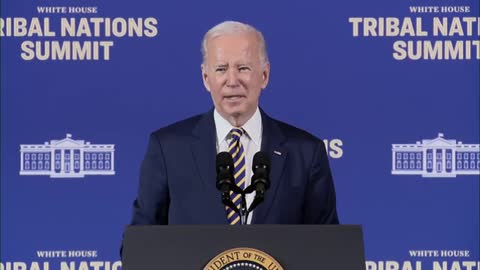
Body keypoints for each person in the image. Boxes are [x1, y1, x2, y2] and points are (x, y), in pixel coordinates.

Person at [129, 21, 339, 225]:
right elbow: (139, 246)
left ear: (264, 75)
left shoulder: (306, 153)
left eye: (243, 68)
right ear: (205, 77)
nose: (232, 81)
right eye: (221, 69)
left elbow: (327, 249)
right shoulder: (167, 148)